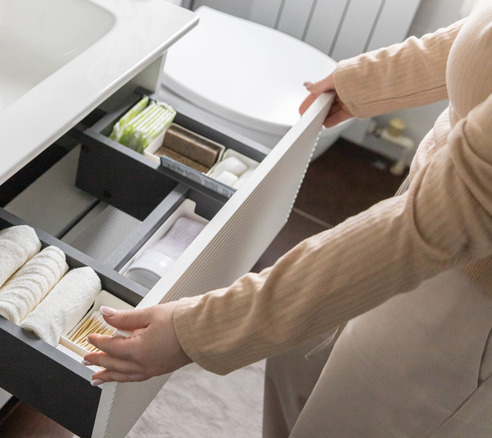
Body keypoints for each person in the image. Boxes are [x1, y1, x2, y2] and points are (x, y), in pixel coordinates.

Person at [83, 1, 492, 436]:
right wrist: (368, 80)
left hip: (468, 297)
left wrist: (199, 331)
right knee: (297, 357)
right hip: (437, 207)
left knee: (340, 420)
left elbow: (423, 225)